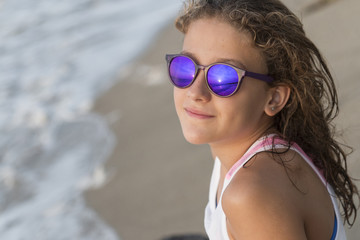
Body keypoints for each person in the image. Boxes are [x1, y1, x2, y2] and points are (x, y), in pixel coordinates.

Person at [164, 0, 359, 239]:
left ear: (274, 98)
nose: (195, 92)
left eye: (224, 78)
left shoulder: (251, 194)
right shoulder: (237, 147)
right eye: (185, 67)